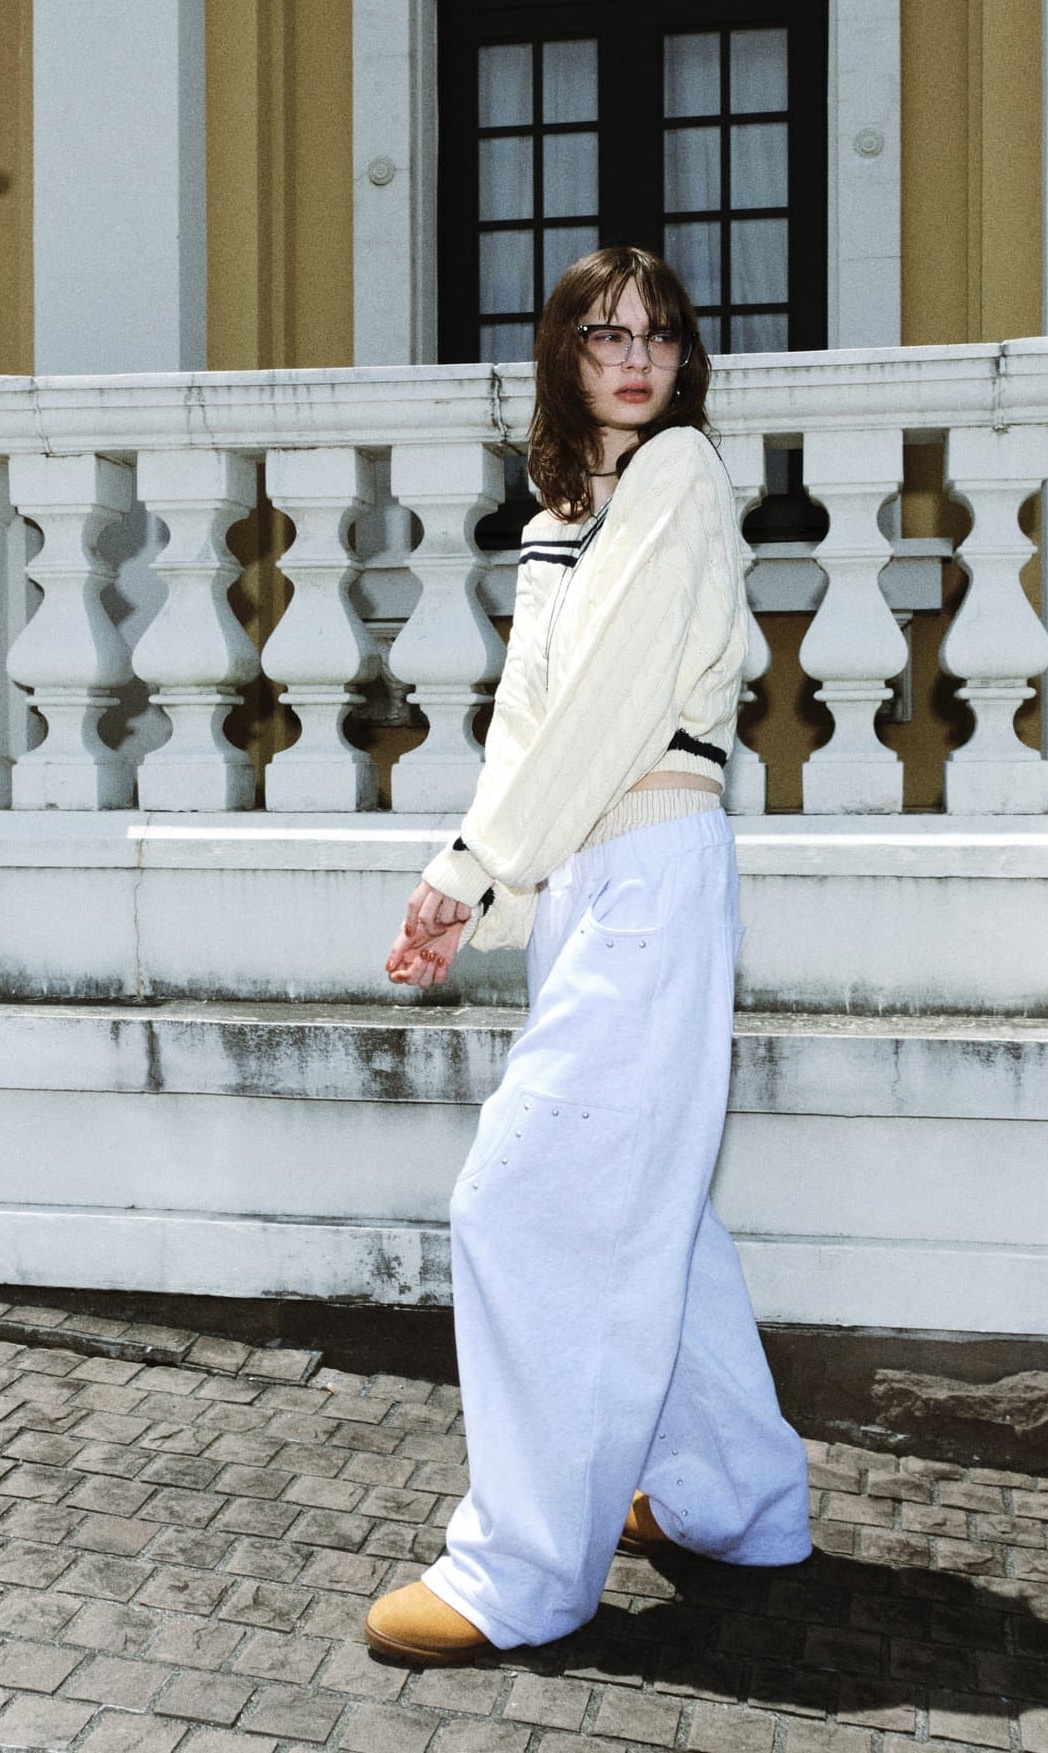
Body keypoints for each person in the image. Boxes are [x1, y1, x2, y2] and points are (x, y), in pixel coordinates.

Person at [364, 246, 813, 1666]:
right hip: (593, 882)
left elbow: (613, 709)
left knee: (519, 1205)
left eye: (660, 336)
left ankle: (521, 1573)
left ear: (685, 361)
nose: (636, 360)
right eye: (606, 335)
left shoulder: (677, 477)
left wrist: (470, 866)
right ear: (562, 354)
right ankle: (737, 1500)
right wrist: (478, 893)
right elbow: (529, 722)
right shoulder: (571, 507)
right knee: (657, 1207)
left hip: (651, 870)